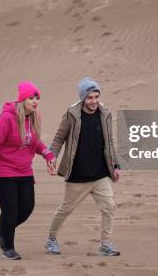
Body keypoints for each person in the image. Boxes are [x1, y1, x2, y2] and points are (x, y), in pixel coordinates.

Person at [45, 78, 122, 256]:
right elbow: (58, 138)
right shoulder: (71, 115)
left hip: (100, 174)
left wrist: (116, 165)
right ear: (83, 98)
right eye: (89, 97)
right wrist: (51, 158)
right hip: (78, 175)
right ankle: (51, 239)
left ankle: (105, 243)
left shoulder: (105, 114)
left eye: (96, 96)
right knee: (65, 210)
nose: (94, 101)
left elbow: (109, 142)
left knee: (109, 206)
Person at [0, 81, 57, 260]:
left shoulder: (35, 117)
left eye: (37, 98)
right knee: (11, 210)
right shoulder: (6, 118)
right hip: (2, 172)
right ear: (23, 99)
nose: (35, 101)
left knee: (27, 208)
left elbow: (34, 141)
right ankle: (8, 248)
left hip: (24, 171)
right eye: (31, 98)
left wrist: (48, 155)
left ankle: (1, 231)